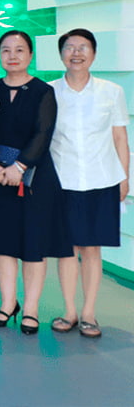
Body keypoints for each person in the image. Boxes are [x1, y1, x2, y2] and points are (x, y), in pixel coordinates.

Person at [0, 30, 70, 336]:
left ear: (30, 55)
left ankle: (31, 309)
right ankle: (7, 304)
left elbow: (43, 132)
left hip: (34, 178)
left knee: (32, 243)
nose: (12, 56)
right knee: (2, 243)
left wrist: (20, 166)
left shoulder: (43, 91)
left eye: (19, 50)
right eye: (6, 50)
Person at [49, 28, 129, 338]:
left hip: (101, 179)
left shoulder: (112, 91)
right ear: (61, 54)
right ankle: (69, 311)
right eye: (70, 47)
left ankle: (89, 313)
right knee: (67, 248)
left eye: (83, 47)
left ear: (94, 54)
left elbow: (120, 137)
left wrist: (124, 178)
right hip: (63, 181)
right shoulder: (50, 91)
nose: (76, 53)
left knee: (92, 248)